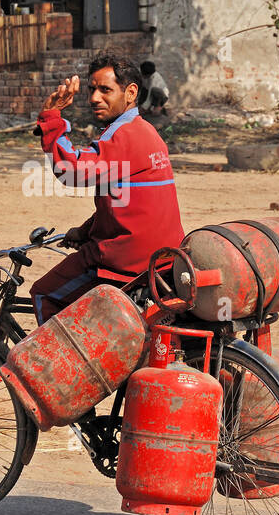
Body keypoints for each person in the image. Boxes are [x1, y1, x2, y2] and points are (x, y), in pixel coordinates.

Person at [29, 54, 184, 323]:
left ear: (131, 92)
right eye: (92, 89)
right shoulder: (146, 131)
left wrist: (51, 119)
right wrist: (86, 231)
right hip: (162, 256)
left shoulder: (123, 135)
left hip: (125, 260)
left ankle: (64, 365)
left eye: (105, 90)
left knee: (44, 293)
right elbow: (123, 202)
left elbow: (72, 171)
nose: (94, 98)